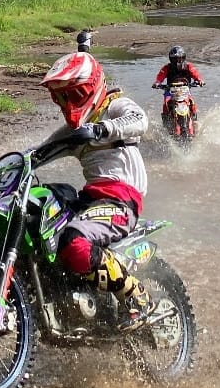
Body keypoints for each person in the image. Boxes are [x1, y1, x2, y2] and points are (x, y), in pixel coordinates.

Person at [36, 51, 154, 331]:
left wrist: (104, 129)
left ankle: (137, 297)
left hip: (121, 199)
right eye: (62, 97)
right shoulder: (72, 131)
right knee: (45, 228)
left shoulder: (113, 106)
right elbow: (37, 154)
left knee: (74, 239)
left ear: (90, 89)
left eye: (73, 94)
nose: (68, 103)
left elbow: (140, 119)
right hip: (90, 200)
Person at [152, 45, 205, 122]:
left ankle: (194, 120)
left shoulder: (188, 66)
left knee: (192, 102)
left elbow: (195, 74)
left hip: (184, 90)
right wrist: (157, 83)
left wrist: (200, 80)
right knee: (166, 104)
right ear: (171, 59)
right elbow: (160, 76)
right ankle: (166, 123)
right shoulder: (167, 67)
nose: (177, 61)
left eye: (180, 58)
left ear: (183, 58)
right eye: (175, 59)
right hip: (170, 90)